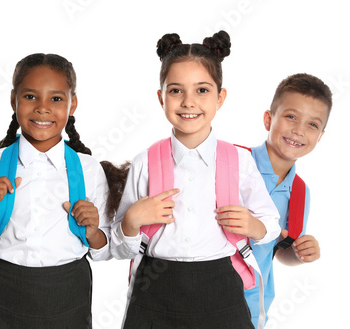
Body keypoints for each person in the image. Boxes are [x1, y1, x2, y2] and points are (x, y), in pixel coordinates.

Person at [110, 31, 281, 328]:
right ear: (161, 98)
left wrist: (255, 226)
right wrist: (131, 222)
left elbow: (271, 223)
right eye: (176, 91)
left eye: (202, 90)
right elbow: (119, 246)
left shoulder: (239, 162)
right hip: (155, 290)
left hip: (221, 289)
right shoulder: (145, 163)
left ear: (220, 97)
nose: (189, 102)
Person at [0, 53, 112, 329]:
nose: (43, 108)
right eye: (30, 97)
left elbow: (106, 250)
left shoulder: (89, 169)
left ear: (73, 104)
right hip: (3, 295)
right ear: (14, 101)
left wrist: (94, 231)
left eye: (56, 98)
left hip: (68, 296)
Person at [245, 73, 329, 327]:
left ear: (320, 137)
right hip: (198, 295)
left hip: (250, 309)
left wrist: (300, 252)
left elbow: (281, 252)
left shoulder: (301, 194)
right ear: (268, 119)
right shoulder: (234, 163)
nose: (299, 130)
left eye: (312, 125)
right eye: (291, 116)